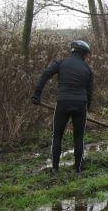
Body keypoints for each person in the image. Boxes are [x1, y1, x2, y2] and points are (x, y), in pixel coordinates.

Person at [31, 40, 93, 173]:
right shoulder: (87, 69)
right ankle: (78, 169)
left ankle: (55, 168)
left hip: (63, 103)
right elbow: (89, 92)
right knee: (79, 137)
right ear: (83, 54)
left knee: (57, 136)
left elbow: (45, 75)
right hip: (80, 105)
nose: (86, 57)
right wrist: (87, 108)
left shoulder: (61, 63)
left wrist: (36, 95)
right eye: (86, 55)